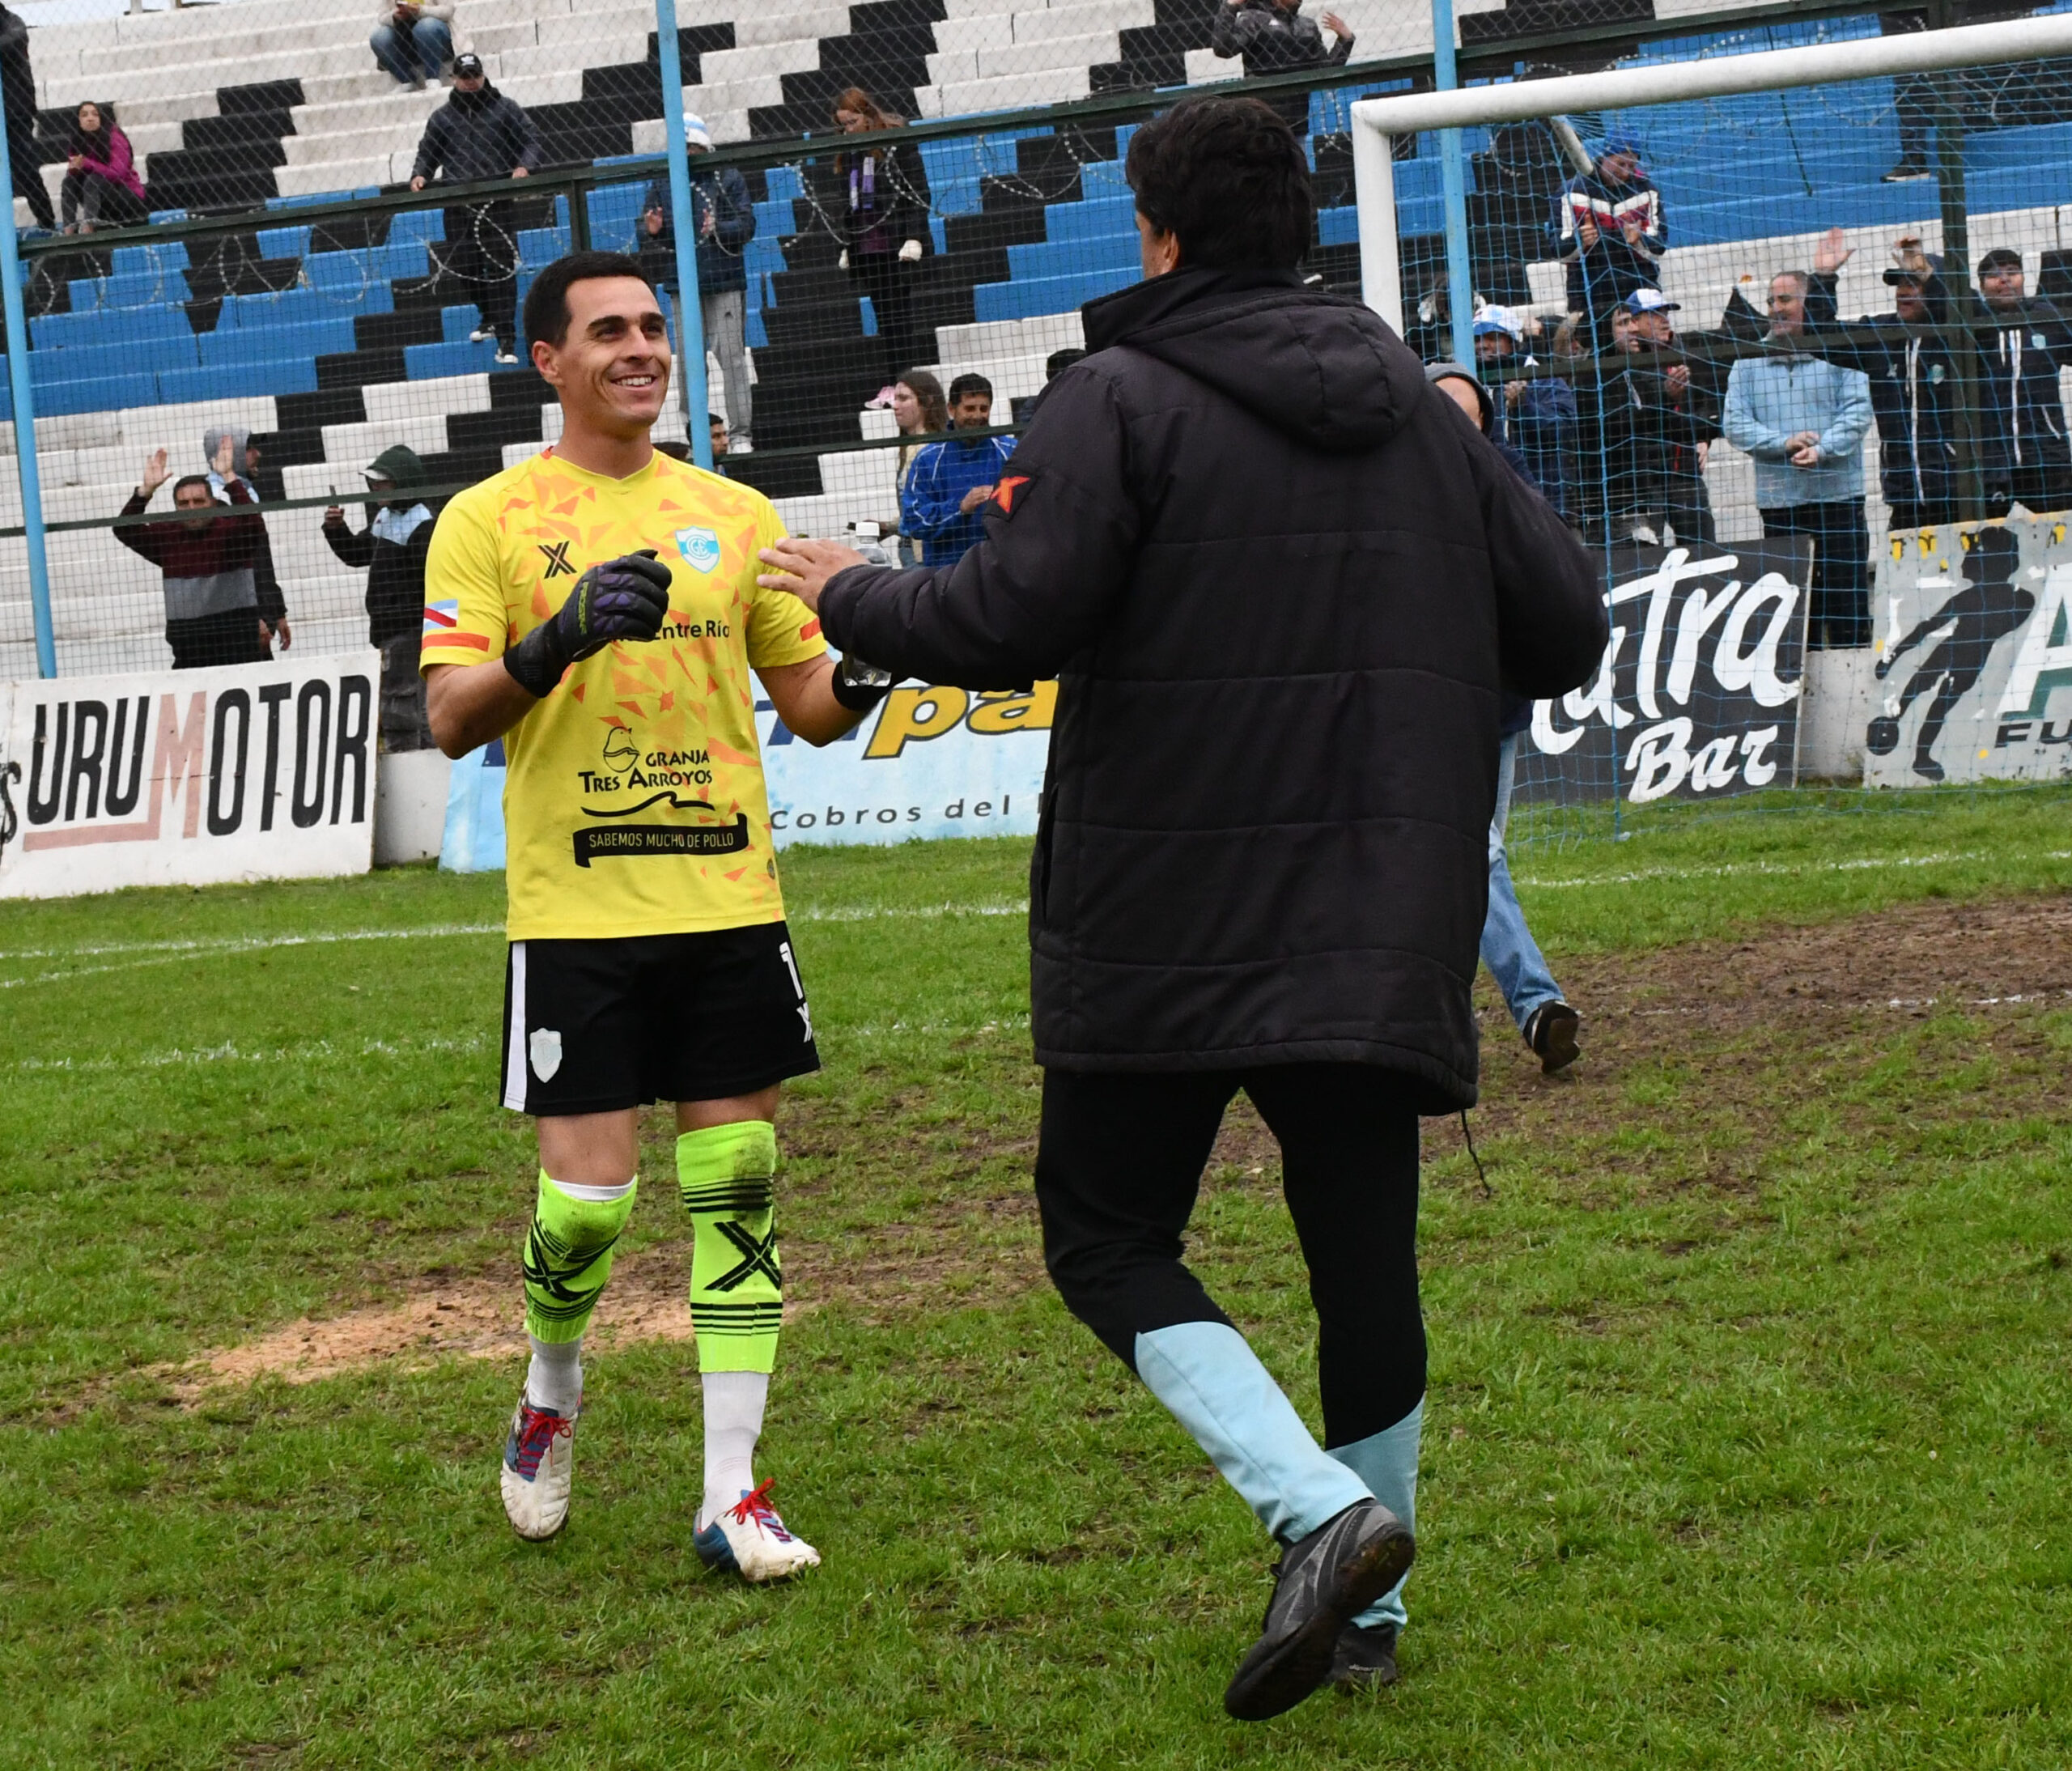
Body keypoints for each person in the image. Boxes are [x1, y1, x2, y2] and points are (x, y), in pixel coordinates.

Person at [755, 96, 1606, 1719]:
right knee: (1362, 1258)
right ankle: (1370, 1616)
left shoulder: (1116, 395)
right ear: (1301, 228)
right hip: (1380, 897)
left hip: (1165, 905)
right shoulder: (1419, 408)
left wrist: (848, 589)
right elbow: (1565, 627)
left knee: (1104, 1230)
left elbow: (1011, 616)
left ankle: (1318, 1515)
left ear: (1153, 234)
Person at [418, 251, 893, 1569]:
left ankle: (731, 1491)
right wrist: (554, 639)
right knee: (585, 1209)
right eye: (608, 331)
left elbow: (808, 706)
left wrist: (875, 654)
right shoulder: (488, 519)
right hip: (576, 917)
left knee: (738, 1187)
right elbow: (450, 716)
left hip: (729, 901)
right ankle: (550, 1388)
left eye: (652, 327)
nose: (640, 347)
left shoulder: (735, 515)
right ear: (549, 360)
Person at [1429, 360, 1586, 1072]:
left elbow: (1542, 569)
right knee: (1474, 851)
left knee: (1468, 858)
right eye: (1445, 415)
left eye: (1472, 417)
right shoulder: (1395, 486)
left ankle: (1439, 1008)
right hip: (1425, 701)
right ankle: (1536, 1002)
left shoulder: (1510, 479)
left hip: (1497, 703)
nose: (1461, 429)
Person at [1800, 231, 1993, 537]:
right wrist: (1823, 278)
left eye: (1915, 283)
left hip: (1964, 496)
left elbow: (1973, 309)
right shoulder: (1881, 333)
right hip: (1904, 498)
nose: (1904, 291)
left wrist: (1929, 274)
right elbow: (1819, 338)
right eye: (1901, 284)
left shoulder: (1961, 335)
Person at [1722, 269, 1875, 648]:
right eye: (1771, 300)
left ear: (1809, 303)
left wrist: (1822, 451)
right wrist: (1784, 443)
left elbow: (1857, 413)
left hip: (1839, 500)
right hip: (1780, 506)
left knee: (1848, 609)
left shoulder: (1842, 352)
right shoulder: (1747, 361)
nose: (1775, 308)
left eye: (1785, 299)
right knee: (1793, 617)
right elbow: (1734, 424)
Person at [1867, 523, 2033, 780]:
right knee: (1926, 690)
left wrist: (1892, 658)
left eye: (1974, 553)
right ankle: (1900, 731)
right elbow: (1927, 628)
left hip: (1967, 653)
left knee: (1935, 698)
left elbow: (1928, 628)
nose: (1967, 558)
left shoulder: (1994, 599)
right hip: (1962, 650)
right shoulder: (1998, 598)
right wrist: (1891, 658)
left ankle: (1919, 753)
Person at [410, 53, 540, 363]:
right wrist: (420, 173)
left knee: (500, 269)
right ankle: (490, 315)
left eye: (474, 76)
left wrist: (524, 166)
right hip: (458, 205)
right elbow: (428, 151)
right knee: (464, 267)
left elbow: (531, 140)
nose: (470, 82)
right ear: (454, 79)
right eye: (465, 77)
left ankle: (506, 338)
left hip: (496, 203)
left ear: (482, 75)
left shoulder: (505, 109)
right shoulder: (442, 118)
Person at [637, 113, 757, 448]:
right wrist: (652, 231)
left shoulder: (728, 177)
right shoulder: (664, 182)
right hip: (682, 283)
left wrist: (718, 229)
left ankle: (741, 432)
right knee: (690, 362)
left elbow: (747, 224)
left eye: (692, 147)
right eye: (683, 147)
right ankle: (696, 433)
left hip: (724, 279)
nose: (688, 153)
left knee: (731, 357)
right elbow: (648, 229)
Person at [1581, 287, 1720, 546]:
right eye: (1654, 314)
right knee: (1647, 552)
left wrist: (1704, 439)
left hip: (1685, 472)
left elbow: (1707, 406)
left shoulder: (1683, 354)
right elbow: (1631, 422)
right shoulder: (1617, 366)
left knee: (1704, 549)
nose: (1664, 319)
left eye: (1665, 312)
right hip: (1642, 479)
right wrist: (1667, 397)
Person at [117, 452, 279, 670]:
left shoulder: (232, 533)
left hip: (240, 654)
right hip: (189, 657)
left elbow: (254, 524)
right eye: (184, 503)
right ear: (176, 507)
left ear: (212, 503)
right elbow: (124, 530)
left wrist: (230, 478)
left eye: (198, 501)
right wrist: (145, 492)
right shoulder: (167, 537)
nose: (191, 508)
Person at [324, 444, 437, 751]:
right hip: (389, 630)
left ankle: (415, 762)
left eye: (383, 482)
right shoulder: (385, 517)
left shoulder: (423, 524)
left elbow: (432, 583)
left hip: (410, 632)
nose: (375, 487)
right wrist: (336, 529)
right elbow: (356, 554)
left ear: (404, 481)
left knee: (406, 705)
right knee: (400, 703)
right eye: (373, 482)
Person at [830, 88, 931, 403]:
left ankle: (905, 382)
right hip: (866, 245)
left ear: (867, 116)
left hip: (894, 243)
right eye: (843, 125)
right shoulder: (849, 153)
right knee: (884, 318)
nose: (848, 130)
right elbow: (847, 202)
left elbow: (917, 190)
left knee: (900, 316)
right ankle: (893, 382)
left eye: (852, 122)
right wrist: (848, 243)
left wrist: (914, 236)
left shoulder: (896, 141)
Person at [1975, 245, 2072, 517]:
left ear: (2023, 279)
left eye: (2012, 272)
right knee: (1985, 541)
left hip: (2047, 458)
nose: (2004, 279)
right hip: (1992, 464)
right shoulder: (1973, 325)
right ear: (1982, 287)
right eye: (1994, 275)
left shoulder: (2048, 317)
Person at [897, 372, 1014, 567]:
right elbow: (914, 520)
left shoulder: (1011, 452)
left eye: (984, 409)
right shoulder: (928, 459)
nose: (977, 416)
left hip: (1001, 569)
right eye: (969, 408)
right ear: (951, 409)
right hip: (947, 572)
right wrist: (960, 508)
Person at [1474, 307, 1578, 525]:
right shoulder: (1468, 384)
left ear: (1513, 341)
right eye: (1476, 338)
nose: (1482, 345)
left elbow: (1563, 429)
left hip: (1544, 499)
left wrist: (1524, 406)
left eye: (1492, 337)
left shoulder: (1543, 379)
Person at [1555, 139, 1666, 338]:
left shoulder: (1647, 190)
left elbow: (1659, 248)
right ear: (1605, 158)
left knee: (1649, 343)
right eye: (1620, 163)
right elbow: (1558, 251)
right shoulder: (1571, 192)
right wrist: (1581, 241)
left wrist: (1638, 240)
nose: (1625, 171)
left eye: (1631, 165)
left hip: (1640, 286)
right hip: (1588, 292)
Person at [1210, 0, 1354, 130]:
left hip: (1297, 122)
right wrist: (1230, 6)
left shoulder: (1307, 26)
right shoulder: (1253, 19)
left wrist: (1345, 40)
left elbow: (1325, 71)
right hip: (1262, 123)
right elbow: (1223, 48)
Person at [885, 369, 948, 564]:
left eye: (903, 399)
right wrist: (889, 526)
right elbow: (914, 506)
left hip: (926, 552)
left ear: (927, 402)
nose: (895, 406)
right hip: (910, 548)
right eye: (895, 399)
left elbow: (930, 508)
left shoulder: (931, 449)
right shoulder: (910, 446)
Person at [0, 6, 53, 232]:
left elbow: (14, 41)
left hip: (15, 112)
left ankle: (47, 223)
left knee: (26, 170)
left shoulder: (12, 21)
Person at [60, 102, 148, 236]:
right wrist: (74, 170)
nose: (90, 118)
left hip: (129, 200)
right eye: (84, 115)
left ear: (101, 118)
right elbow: (75, 175)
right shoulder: (77, 140)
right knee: (69, 182)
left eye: (95, 115)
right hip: (103, 200)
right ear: (78, 121)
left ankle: (89, 228)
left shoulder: (114, 137)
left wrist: (87, 163)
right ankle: (68, 231)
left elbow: (118, 174)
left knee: (93, 180)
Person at [371, 2, 453, 89]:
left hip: (435, 36)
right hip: (404, 36)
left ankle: (432, 77)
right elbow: (382, 18)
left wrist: (420, 10)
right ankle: (406, 81)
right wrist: (395, 16)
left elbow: (448, 10)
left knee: (425, 27)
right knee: (379, 37)